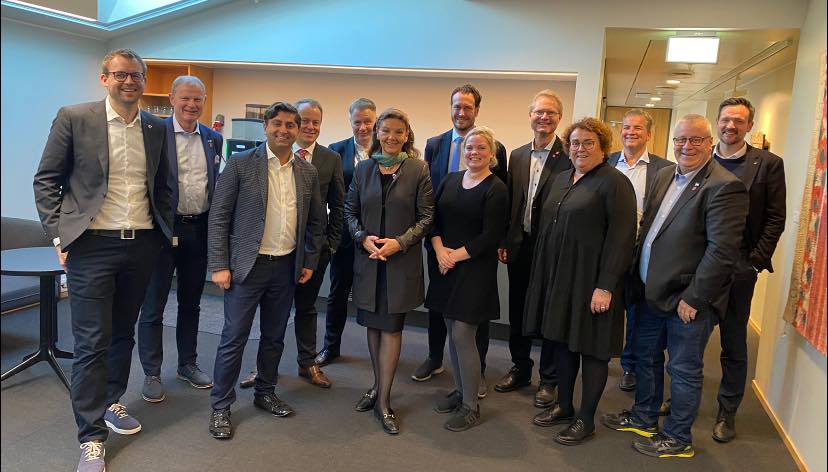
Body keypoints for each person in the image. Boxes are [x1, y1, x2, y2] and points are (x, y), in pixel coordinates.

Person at [33, 48, 174, 472]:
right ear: (104, 79)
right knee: (92, 341)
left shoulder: (156, 126)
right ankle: (91, 437)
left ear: (144, 80)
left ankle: (110, 401)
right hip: (91, 246)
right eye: (120, 74)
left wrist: (164, 232)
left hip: (141, 246)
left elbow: (164, 185)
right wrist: (59, 235)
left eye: (136, 75)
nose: (129, 81)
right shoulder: (75, 118)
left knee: (122, 333)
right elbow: (47, 180)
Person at [601, 114, 748, 459]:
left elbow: (722, 251)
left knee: (682, 370)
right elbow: (650, 228)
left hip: (687, 300)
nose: (687, 146)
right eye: (681, 140)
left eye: (696, 140)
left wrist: (695, 297)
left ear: (710, 143)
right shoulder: (665, 174)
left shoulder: (724, 186)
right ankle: (644, 417)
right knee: (646, 358)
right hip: (650, 291)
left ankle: (678, 437)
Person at [207, 102, 325, 440]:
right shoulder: (242, 164)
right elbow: (219, 216)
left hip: (285, 267)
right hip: (247, 267)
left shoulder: (307, 172)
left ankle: (265, 392)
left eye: (290, 125)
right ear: (266, 127)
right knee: (234, 337)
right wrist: (219, 264)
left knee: (274, 337)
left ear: (298, 130)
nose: (284, 130)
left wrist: (309, 261)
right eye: (277, 123)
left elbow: (316, 222)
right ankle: (221, 406)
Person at [523, 117, 637, 445]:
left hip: (593, 283)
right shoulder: (561, 178)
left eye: (588, 143)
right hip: (560, 279)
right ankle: (564, 406)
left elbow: (622, 238)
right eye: (575, 143)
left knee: (593, 350)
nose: (580, 148)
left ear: (603, 147)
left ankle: (585, 419)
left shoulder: (615, 183)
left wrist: (606, 286)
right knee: (562, 343)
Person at [239, 98, 344, 389]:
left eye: (315, 122)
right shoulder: (268, 155)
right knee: (271, 313)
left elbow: (338, 206)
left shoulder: (330, 159)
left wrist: (329, 246)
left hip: (312, 252)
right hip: (275, 253)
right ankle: (262, 368)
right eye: (305, 120)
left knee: (307, 308)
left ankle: (307, 362)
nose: (310, 126)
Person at [413, 84, 508, 397]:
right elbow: (430, 199)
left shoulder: (496, 159)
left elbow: (496, 216)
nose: (462, 112)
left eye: (468, 107)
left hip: (474, 254)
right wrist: (439, 248)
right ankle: (435, 358)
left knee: (471, 320)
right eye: (457, 106)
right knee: (440, 310)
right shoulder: (435, 145)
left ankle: (475, 373)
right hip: (441, 245)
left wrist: (458, 254)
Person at [346, 108, 435, 434]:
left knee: (392, 329)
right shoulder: (364, 169)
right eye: (386, 131)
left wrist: (400, 242)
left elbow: (427, 216)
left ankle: (383, 401)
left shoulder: (418, 169)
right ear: (377, 133)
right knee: (373, 325)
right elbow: (349, 211)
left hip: (399, 262)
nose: (392, 137)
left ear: (407, 135)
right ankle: (376, 385)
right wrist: (362, 237)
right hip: (369, 262)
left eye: (399, 131)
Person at [137, 76, 223, 403]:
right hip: (161, 231)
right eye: (185, 98)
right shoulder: (154, 133)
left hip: (197, 231)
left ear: (204, 101)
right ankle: (151, 372)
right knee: (153, 306)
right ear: (172, 98)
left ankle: (187, 364)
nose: (191, 105)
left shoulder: (213, 139)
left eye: (197, 99)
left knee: (191, 303)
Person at [710, 97, 786, 442]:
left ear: (749, 126)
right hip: (701, 266)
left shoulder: (768, 164)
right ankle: (678, 398)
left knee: (733, 341)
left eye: (739, 121)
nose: (731, 126)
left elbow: (775, 218)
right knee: (687, 340)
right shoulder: (702, 158)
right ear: (717, 122)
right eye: (726, 119)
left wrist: (754, 262)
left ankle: (727, 410)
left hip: (740, 266)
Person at [425, 126, 508, 431]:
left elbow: (490, 235)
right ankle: (461, 391)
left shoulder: (496, 188)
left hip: (474, 269)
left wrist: (453, 256)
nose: (474, 152)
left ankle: (471, 407)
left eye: (481, 148)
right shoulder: (449, 180)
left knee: (463, 335)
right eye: (470, 147)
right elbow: (433, 221)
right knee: (451, 330)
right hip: (445, 265)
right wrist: (439, 251)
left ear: (492, 153)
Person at [496, 90, 571, 412]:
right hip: (520, 245)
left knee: (549, 311)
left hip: (552, 248)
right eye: (539, 112)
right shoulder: (517, 155)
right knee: (518, 309)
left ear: (559, 118)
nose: (544, 117)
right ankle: (521, 367)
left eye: (551, 112)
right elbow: (511, 202)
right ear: (530, 116)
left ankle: (549, 379)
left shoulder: (569, 155)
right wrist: (504, 240)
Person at [609, 109, 674, 392]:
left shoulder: (665, 168)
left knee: (637, 311)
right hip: (609, 248)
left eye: (637, 128)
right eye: (626, 127)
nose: (630, 132)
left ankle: (631, 366)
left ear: (648, 134)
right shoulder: (607, 162)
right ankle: (599, 354)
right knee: (606, 303)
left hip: (642, 250)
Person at [316, 98, 377, 367]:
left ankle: (380, 352)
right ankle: (331, 347)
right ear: (350, 122)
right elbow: (330, 194)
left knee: (376, 295)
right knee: (338, 292)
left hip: (377, 235)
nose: (363, 127)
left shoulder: (386, 149)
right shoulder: (336, 151)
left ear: (376, 122)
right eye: (357, 122)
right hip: (344, 235)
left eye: (368, 122)